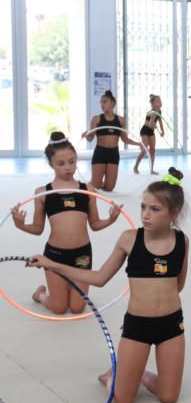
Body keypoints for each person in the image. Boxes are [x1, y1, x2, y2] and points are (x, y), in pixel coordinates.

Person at [29, 169, 190, 403]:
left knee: (169, 397)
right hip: (138, 325)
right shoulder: (129, 239)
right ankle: (112, 376)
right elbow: (99, 278)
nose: (145, 215)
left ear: (173, 213)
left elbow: (178, 285)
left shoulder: (182, 241)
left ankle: (143, 375)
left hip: (171, 325)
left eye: (154, 210)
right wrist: (52, 264)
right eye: (143, 207)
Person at [10, 132, 121, 314]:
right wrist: (20, 224)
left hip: (82, 254)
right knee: (59, 308)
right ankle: (41, 294)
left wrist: (111, 219)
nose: (68, 167)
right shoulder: (43, 193)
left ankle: (69, 286)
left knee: (77, 308)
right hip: (54, 255)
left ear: (77, 160)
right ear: (51, 164)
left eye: (72, 161)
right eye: (61, 164)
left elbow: (94, 224)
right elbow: (38, 229)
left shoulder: (88, 190)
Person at [83, 90, 142, 192]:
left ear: (112, 103)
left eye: (104, 101)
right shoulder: (96, 119)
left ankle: (97, 181)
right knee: (95, 186)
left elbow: (124, 139)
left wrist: (138, 143)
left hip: (113, 153)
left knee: (109, 188)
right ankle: (93, 182)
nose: (102, 104)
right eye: (101, 102)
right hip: (100, 152)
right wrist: (86, 135)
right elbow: (90, 138)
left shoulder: (121, 120)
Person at [133, 94, 166, 175]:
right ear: (153, 104)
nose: (159, 102)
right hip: (145, 131)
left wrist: (162, 131)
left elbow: (160, 121)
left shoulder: (159, 111)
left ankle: (151, 170)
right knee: (144, 151)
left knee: (152, 150)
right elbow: (150, 124)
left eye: (160, 101)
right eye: (157, 101)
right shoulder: (152, 112)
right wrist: (154, 125)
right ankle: (136, 167)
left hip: (151, 131)